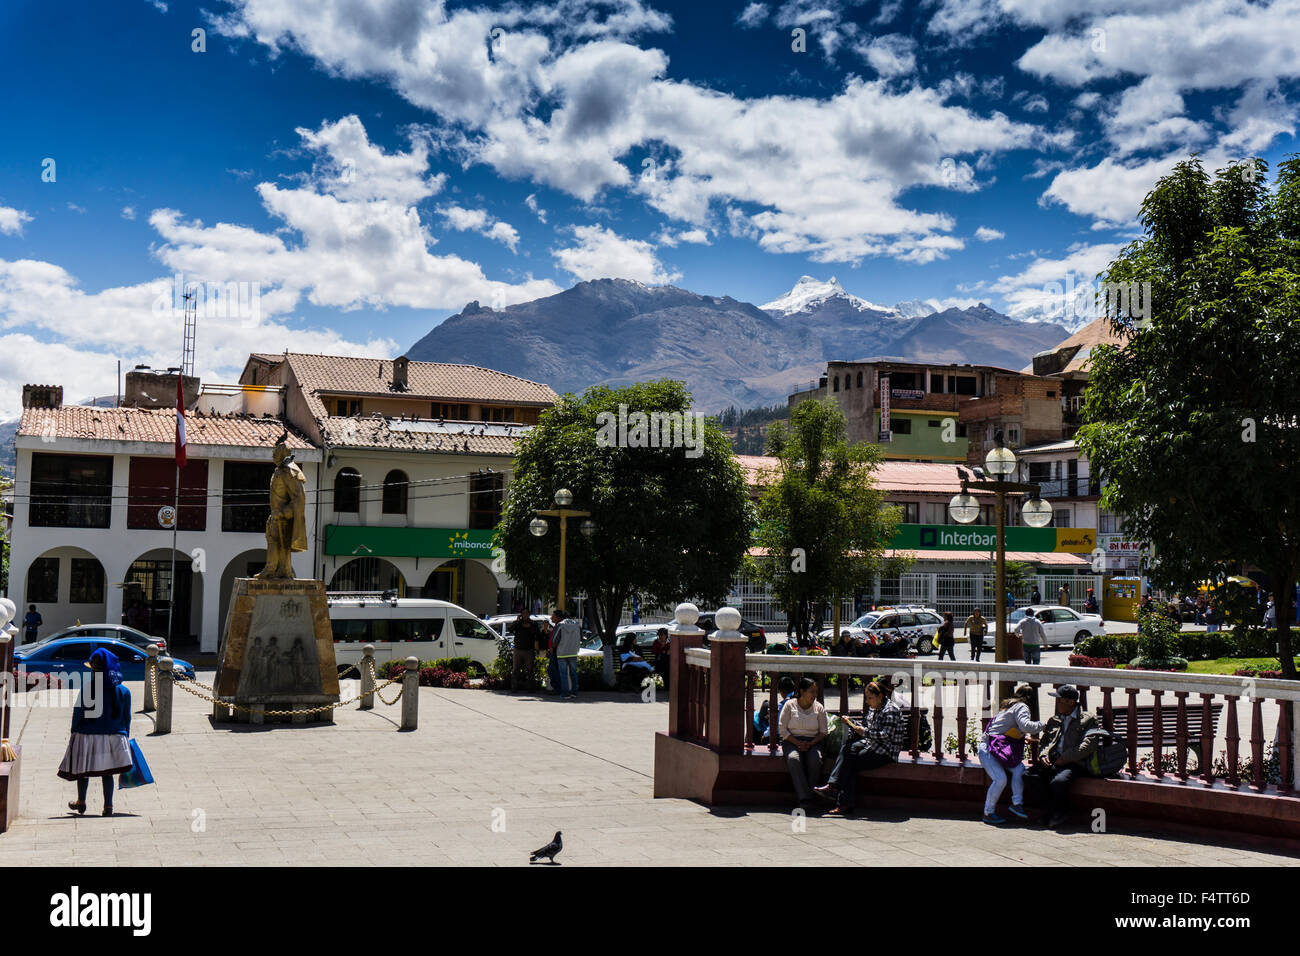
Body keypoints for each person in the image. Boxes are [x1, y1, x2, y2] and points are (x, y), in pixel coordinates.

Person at [815, 677, 907, 817]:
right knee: (847, 749)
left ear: (880, 696)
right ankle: (835, 789)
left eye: (870, 698)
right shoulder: (874, 708)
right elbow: (866, 727)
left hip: (885, 750)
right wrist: (852, 723)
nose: (867, 701)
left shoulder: (890, 711)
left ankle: (838, 794)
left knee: (850, 762)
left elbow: (885, 735)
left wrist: (863, 731)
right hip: (871, 744)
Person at [58, 648, 132, 816]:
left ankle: (81, 801)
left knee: (84, 771)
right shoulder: (124, 691)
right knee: (108, 773)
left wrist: (73, 731)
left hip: (87, 735)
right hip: (114, 735)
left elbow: (78, 713)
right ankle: (108, 807)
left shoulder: (88, 688)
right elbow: (126, 718)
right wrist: (125, 735)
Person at [1032, 684, 1101, 828]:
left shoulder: (1088, 720)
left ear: (1070, 702)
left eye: (1060, 700)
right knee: (1030, 776)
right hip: (1054, 759)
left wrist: (1066, 758)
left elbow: (1088, 745)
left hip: (1074, 762)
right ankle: (1047, 811)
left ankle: (1061, 812)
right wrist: (1044, 754)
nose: (1057, 704)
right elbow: (1045, 741)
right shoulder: (1055, 719)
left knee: (1059, 782)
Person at [978, 683, 1045, 824]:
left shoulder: (1007, 707)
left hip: (997, 748)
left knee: (1019, 769)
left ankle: (1017, 804)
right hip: (989, 749)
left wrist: (1025, 737)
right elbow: (1025, 725)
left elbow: (1004, 730)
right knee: (1000, 779)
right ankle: (988, 812)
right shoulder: (1022, 707)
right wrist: (1044, 725)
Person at [778, 677, 827, 811]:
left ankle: (807, 796)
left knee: (815, 760)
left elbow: (823, 732)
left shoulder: (819, 707)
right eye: (811, 692)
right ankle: (806, 798)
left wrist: (810, 744)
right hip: (792, 741)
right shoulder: (790, 705)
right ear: (802, 691)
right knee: (793, 759)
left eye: (816, 692)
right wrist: (797, 742)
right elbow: (782, 729)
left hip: (813, 741)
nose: (814, 695)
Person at [754, 677, 797, 746]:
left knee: (755, 720)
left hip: (782, 736)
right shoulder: (797, 699)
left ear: (781, 691)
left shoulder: (782, 705)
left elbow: (775, 725)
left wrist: (765, 735)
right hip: (794, 734)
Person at [550, 609, 582, 700]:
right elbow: (580, 638)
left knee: (563, 674)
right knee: (573, 673)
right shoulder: (576, 625)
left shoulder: (560, 625)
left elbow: (554, 640)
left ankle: (565, 693)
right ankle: (574, 692)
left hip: (562, 653)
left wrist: (554, 647)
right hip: (573, 652)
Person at [511, 610, 542, 692]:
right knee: (515, 670)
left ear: (529, 614)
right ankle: (514, 687)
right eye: (523, 613)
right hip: (518, 649)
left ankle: (531, 688)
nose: (525, 615)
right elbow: (510, 629)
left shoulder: (533, 623)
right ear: (521, 614)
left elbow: (537, 634)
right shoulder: (517, 623)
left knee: (530, 670)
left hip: (529, 650)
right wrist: (517, 622)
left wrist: (530, 627)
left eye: (527, 613)